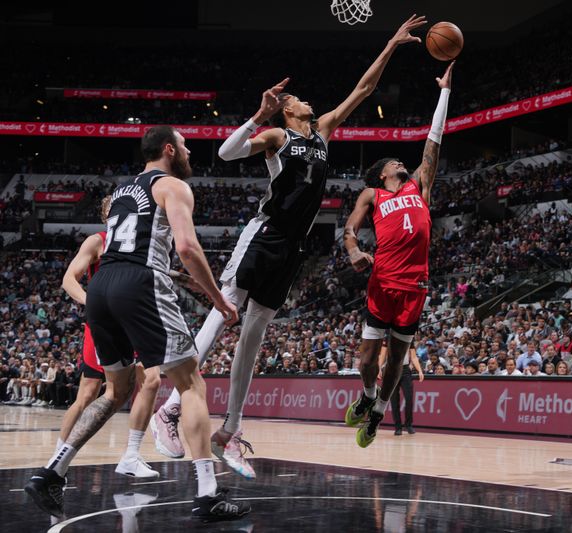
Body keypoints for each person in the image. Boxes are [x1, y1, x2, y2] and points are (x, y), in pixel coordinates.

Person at [150, 15, 429, 478]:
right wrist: (259, 115)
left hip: (293, 249)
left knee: (253, 340)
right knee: (224, 313)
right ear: (285, 112)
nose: (302, 98)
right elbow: (226, 153)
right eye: (295, 99)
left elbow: (362, 89)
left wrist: (392, 45)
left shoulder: (321, 131)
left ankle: (230, 432)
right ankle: (171, 407)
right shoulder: (279, 136)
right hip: (265, 235)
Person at [25, 126, 248, 521]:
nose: (190, 150)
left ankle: (51, 472)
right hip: (140, 282)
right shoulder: (173, 186)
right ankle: (208, 493)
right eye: (185, 145)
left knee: (115, 392)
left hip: (102, 287)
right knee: (191, 383)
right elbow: (187, 248)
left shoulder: (123, 192)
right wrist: (217, 299)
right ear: (168, 149)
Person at [342, 61, 454, 448]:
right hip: (382, 282)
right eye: (394, 163)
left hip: (415, 287)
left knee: (398, 361)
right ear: (382, 174)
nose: (401, 163)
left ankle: (378, 412)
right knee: (367, 360)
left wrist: (444, 93)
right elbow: (350, 229)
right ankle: (368, 396)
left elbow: (433, 145)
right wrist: (354, 249)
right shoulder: (373, 195)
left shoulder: (419, 187)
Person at [56, 197, 162, 479]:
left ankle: (132, 454)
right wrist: (90, 302)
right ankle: (58, 459)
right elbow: (69, 278)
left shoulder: (141, 241)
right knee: (88, 394)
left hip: (133, 320)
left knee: (151, 379)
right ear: (106, 214)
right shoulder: (97, 241)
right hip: (102, 322)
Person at [379, 345, 424, 435]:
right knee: (394, 400)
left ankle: (408, 424)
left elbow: (414, 357)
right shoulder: (388, 336)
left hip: (405, 370)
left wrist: (420, 370)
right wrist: (379, 368)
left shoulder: (409, 336)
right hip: (391, 369)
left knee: (409, 398)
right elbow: (383, 355)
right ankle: (398, 427)